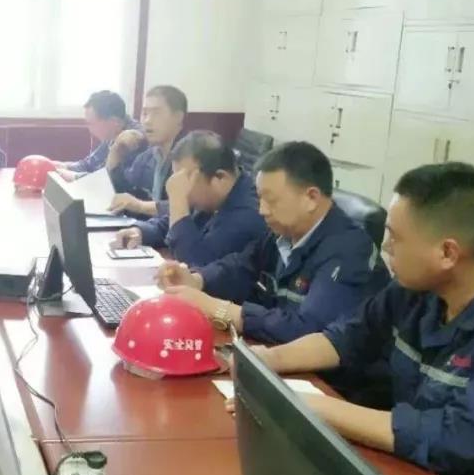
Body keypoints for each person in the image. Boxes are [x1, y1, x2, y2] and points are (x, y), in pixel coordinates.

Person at [247, 163, 474, 475]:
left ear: (447, 253)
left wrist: (311, 407)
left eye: (396, 238)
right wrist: (266, 361)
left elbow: (457, 437)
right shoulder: (415, 291)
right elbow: (347, 337)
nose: (385, 248)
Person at [158, 141, 390, 344]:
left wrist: (219, 309)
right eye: (260, 199)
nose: (262, 210)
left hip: (330, 379)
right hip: (279, 358)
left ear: (311, 198)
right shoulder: (283, 232)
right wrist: (197, 280)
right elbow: (240, 266)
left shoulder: (349, 251)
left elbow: (307, 329)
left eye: (271, 200)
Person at [113, 131, 267, 267]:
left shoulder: (248, 213)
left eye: (184, 182)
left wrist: (178, 199)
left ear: (220, 177)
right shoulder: (211, 198)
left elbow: (194, 261)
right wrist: (140, 232)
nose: (181, 189)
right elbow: (169, 225)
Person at [108, 85, 188, 217]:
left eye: (156, 113)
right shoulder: (147, 157)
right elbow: (124, 194)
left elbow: (189, 207)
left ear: (178, 117)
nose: (147, 121)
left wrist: (141, 206)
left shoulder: (190, 156)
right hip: (147, 227)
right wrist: (116, 151)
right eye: (144, 113)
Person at [55, 90, 142, 180]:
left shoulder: (133, 141)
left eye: (91, 124)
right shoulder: (113, 130)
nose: (90, 130)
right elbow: (90, 164)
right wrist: (63, 166)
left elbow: (109, 181)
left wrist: (74, 176)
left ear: (114, 122)